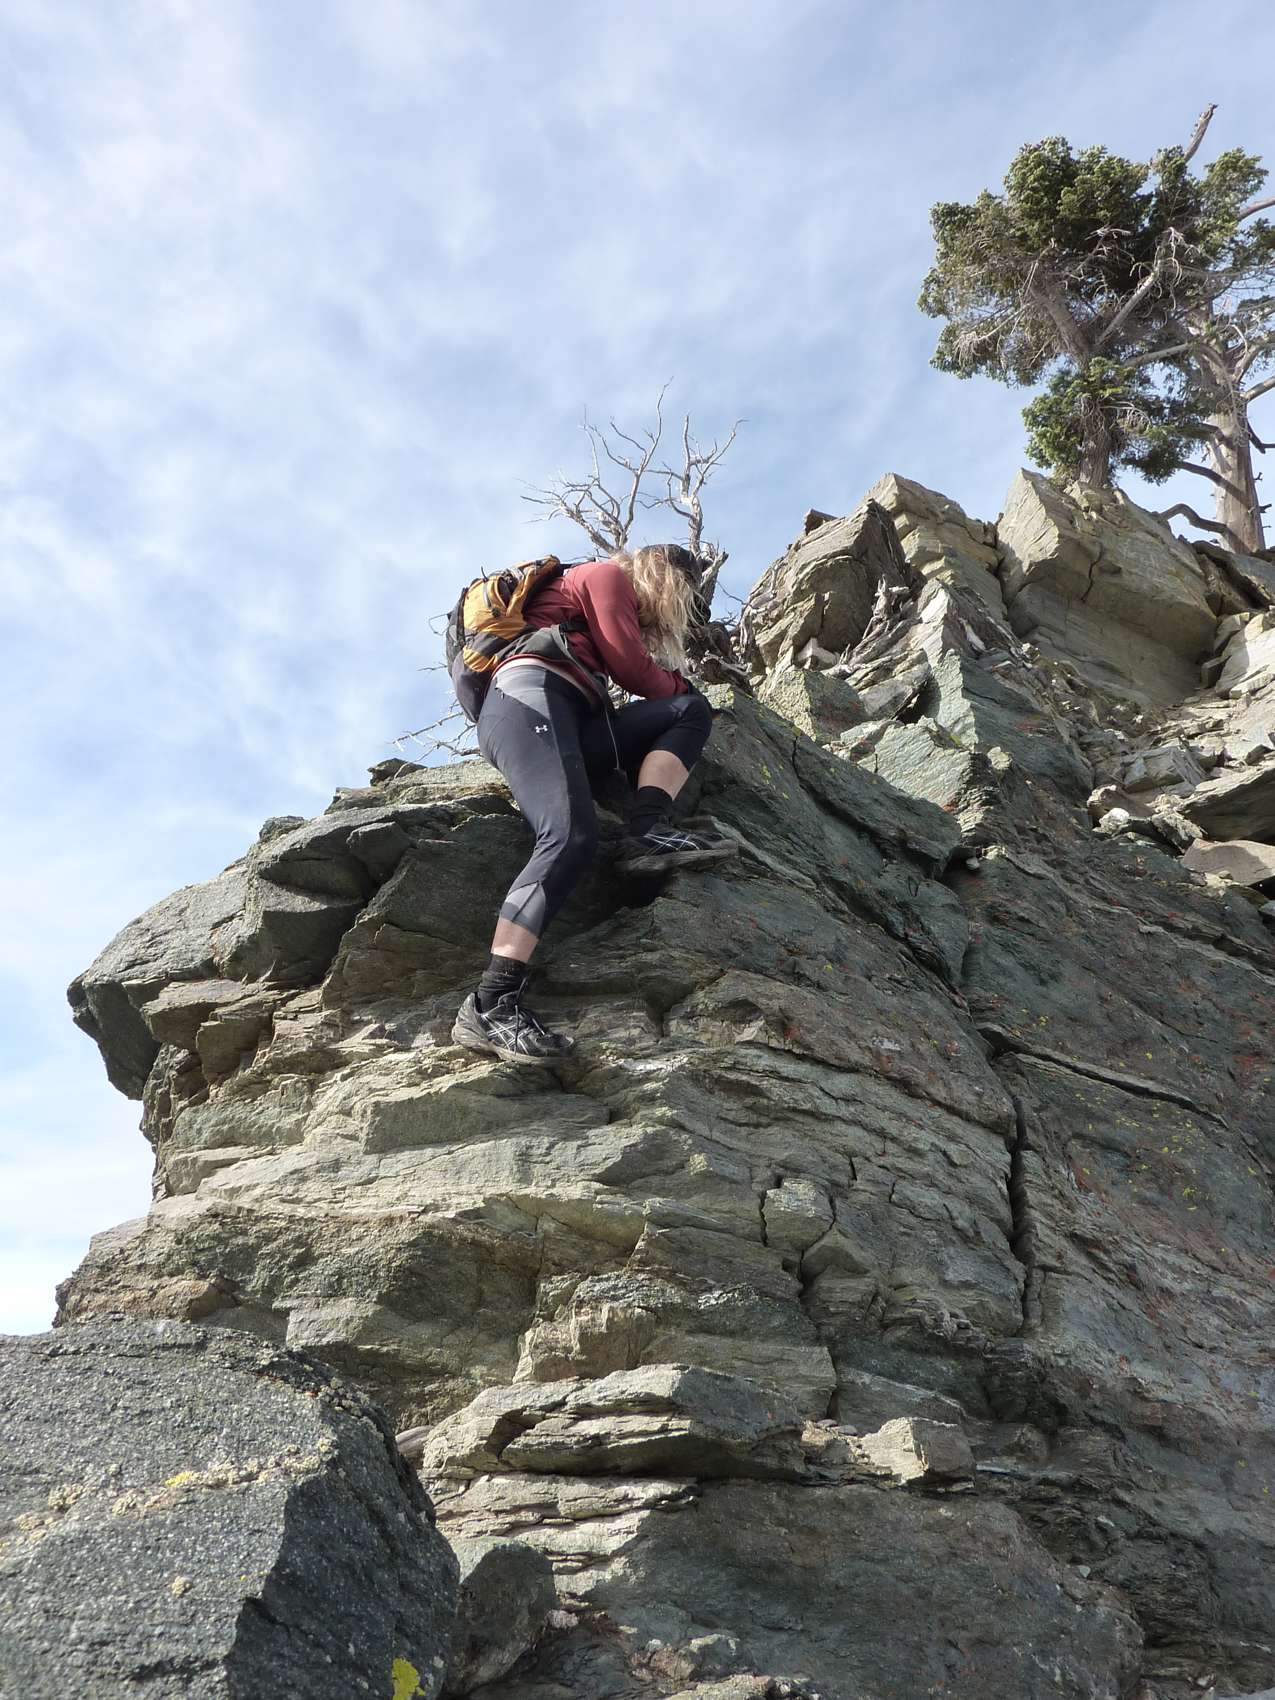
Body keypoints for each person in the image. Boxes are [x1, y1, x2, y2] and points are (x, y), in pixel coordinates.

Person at [451, 543, 734, 1065]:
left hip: (572, 715)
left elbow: (646, 685)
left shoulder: (590, 600)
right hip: (528, 698)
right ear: (661, 576)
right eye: (681, 596)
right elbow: (631, 666)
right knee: (569, 837)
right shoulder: (603, 575)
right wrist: (680, 682)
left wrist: (685, 695)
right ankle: (491, 1003)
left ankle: (646, 831)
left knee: (688, 712)